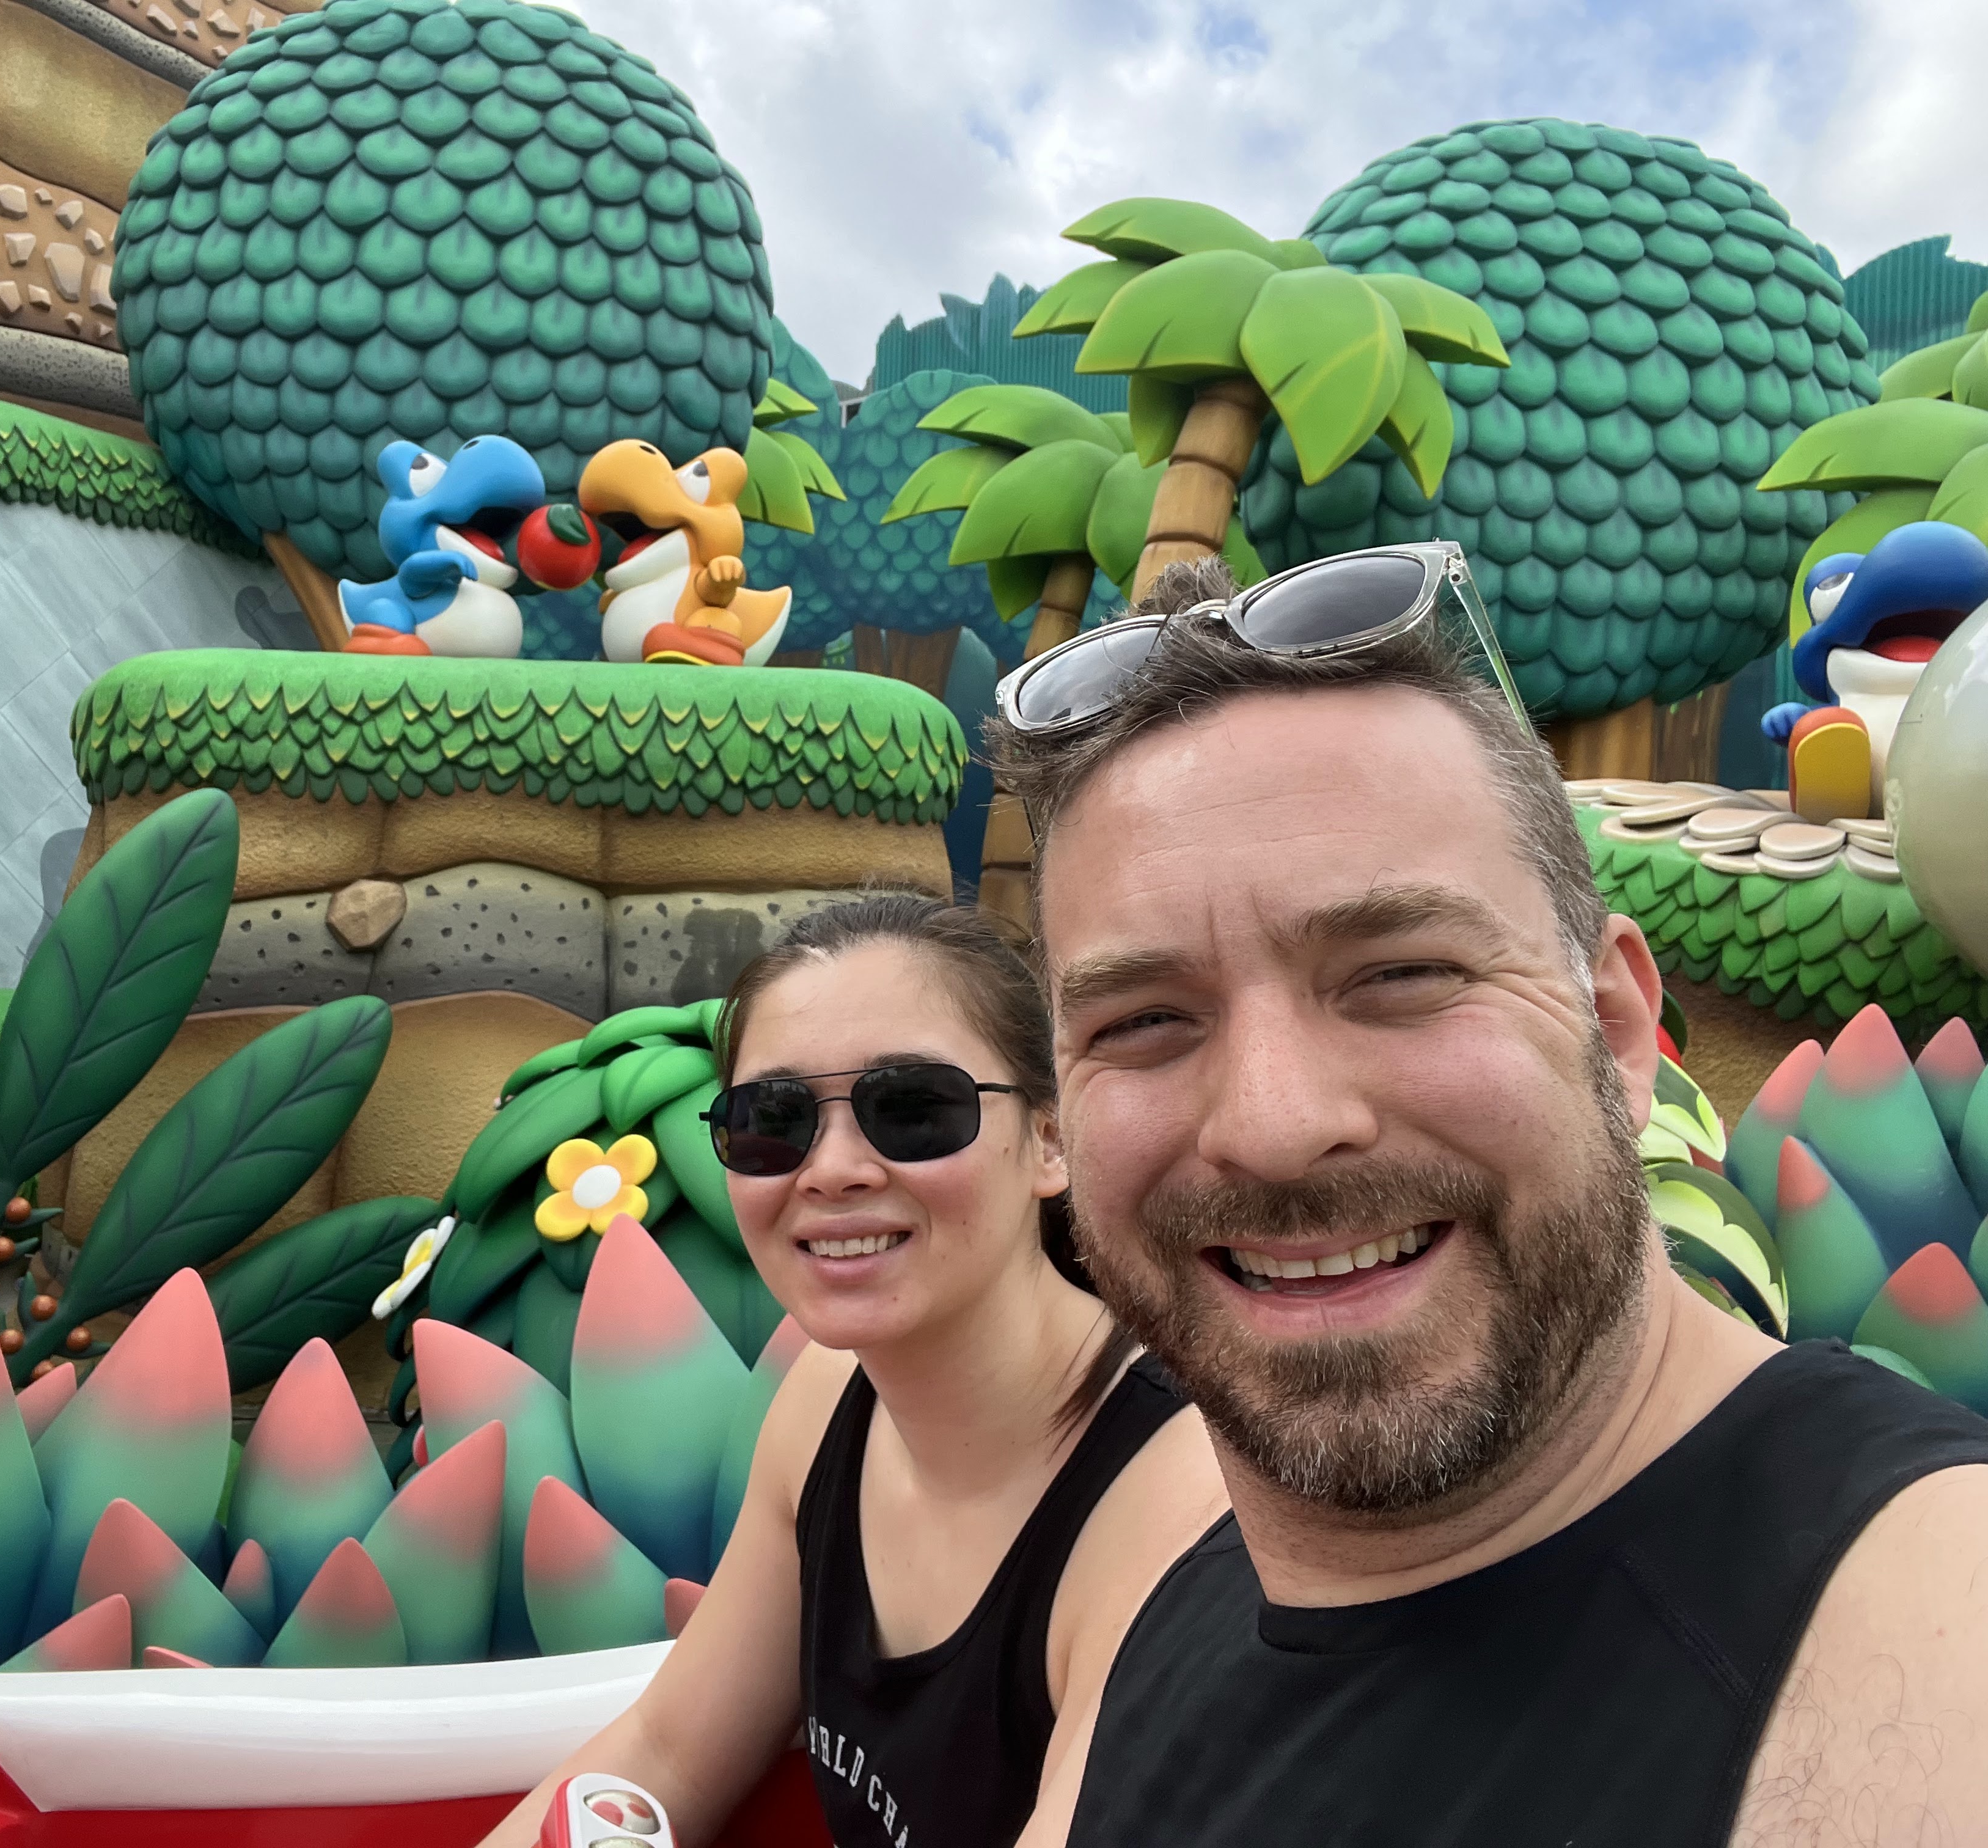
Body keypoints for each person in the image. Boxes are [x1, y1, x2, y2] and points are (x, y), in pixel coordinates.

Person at [987, 546, 1988, 1846]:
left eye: (1400, 974)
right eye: (1143, 1021)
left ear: (1617, 1027)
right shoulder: (1164, 1598)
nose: (1276, 1128)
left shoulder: (1928, 1637)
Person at [477, 896, 1226, 1848]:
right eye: (772, 1121)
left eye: (912, 1109)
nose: (831, 1169)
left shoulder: (1184, 1507)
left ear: (1052, 1140)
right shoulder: (828, 1398)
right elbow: (664, 1754)